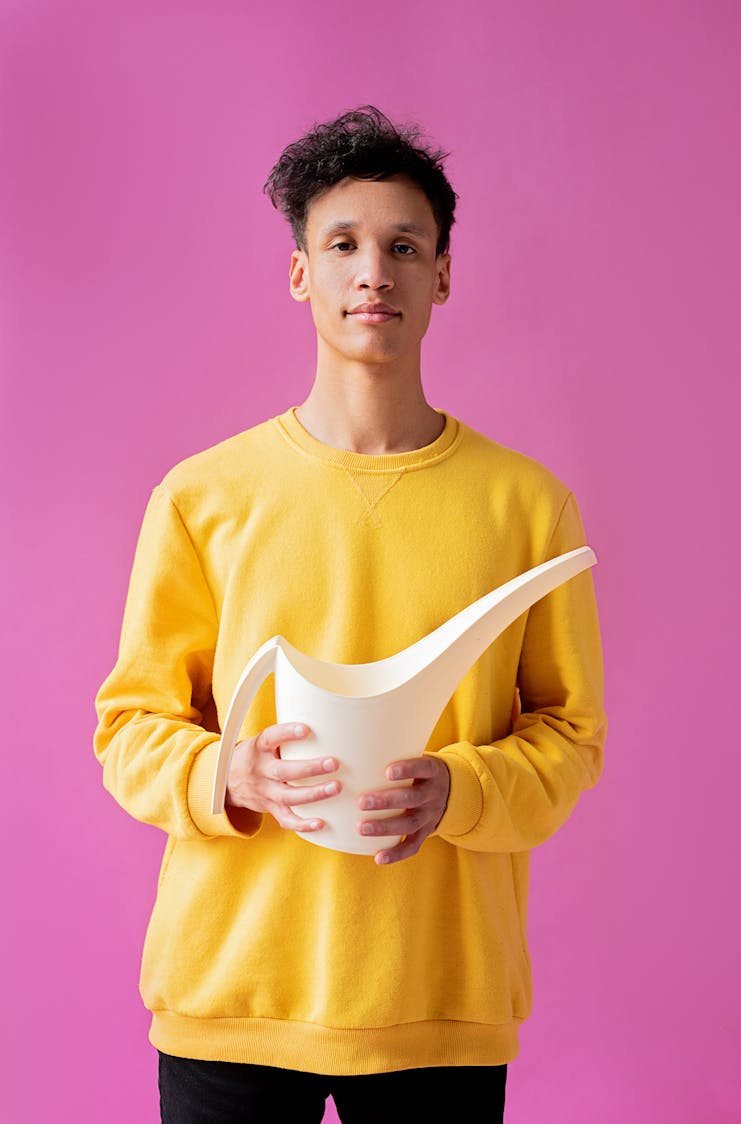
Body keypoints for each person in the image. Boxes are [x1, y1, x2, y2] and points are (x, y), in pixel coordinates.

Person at [93, 105, 607, 1124]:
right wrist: (224, 771)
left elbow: (571, 736)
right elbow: (129, 726)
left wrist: (458, 787)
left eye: (404, 246)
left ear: (443, 275)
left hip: (440, 1007)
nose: (374, 270)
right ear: (303, 274)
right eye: (343, 244)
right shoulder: (204, 496)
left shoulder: (529, 506)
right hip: (229, 998)